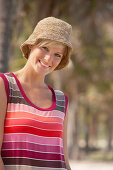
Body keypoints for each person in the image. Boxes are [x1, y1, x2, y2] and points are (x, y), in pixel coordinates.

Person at [0, 16, 73, 170]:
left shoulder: (61, 100)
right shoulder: (4, 85)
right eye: (45, 48)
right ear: (32, 45)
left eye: (57, 55)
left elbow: (64, 160)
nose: (48, 59)